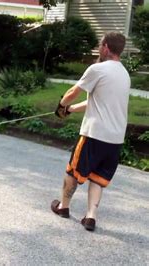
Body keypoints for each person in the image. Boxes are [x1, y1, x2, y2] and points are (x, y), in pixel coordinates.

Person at [51, 32, 130, 232]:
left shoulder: (97, 69)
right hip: (115, 139)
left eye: (100, 45)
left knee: (72, 170)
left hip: (94, 134)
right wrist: (70, 110)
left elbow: (73, 92)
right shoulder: (124, 74)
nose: (99, 48)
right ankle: (91, 217)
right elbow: (95, 102)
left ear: (105, 47)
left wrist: (61, 105)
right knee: (97, 177)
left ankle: (63, 207)